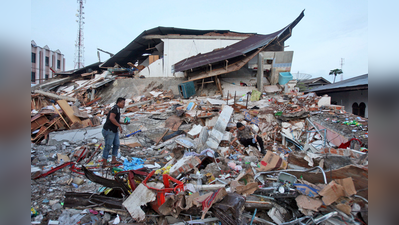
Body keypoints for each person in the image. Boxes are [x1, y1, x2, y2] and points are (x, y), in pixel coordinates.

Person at [102, 97, 129, 167]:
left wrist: (123, 123)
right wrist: (119, 126)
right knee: (108, 146)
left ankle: (113, 159)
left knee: (116, 144)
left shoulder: (117, 109)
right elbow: (111, 118)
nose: (124, 105)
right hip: (109, 130)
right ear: (119, 102)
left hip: (114, 130)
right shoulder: (115, 108)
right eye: (123, 103)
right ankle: (104, 162)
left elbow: (115, 120)